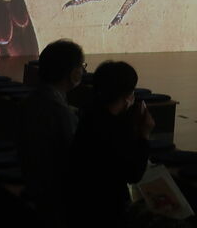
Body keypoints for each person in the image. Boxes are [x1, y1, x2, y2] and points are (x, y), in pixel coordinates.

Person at [65, 60, 155, 227]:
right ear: (127, 95)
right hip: (105, 211)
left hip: (79, 205)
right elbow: (134, 174)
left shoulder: (90, 115)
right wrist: (145, 134)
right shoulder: (112, 129)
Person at [16, 38, 86, 225]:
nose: (83, 71)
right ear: (73, 73)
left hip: (33, 181)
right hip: (54, 196)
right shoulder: (59, 112)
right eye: (81, 66)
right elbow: (74, 158)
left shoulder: (31, 100)